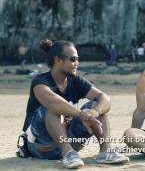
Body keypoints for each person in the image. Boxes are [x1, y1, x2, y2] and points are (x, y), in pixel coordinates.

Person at [20, 39, 129, 169]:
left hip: (70, 140)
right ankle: (68, 154)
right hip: (41, 146)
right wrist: (82, 115)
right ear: (58, 60)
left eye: (77, 59)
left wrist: (95, 112)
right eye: (73, 59)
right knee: (52, 108)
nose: (77, 63)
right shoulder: (40, 82)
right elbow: (51, 101)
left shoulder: (76, 81)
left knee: (96, 105)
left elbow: (104, 98)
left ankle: (105, 151)